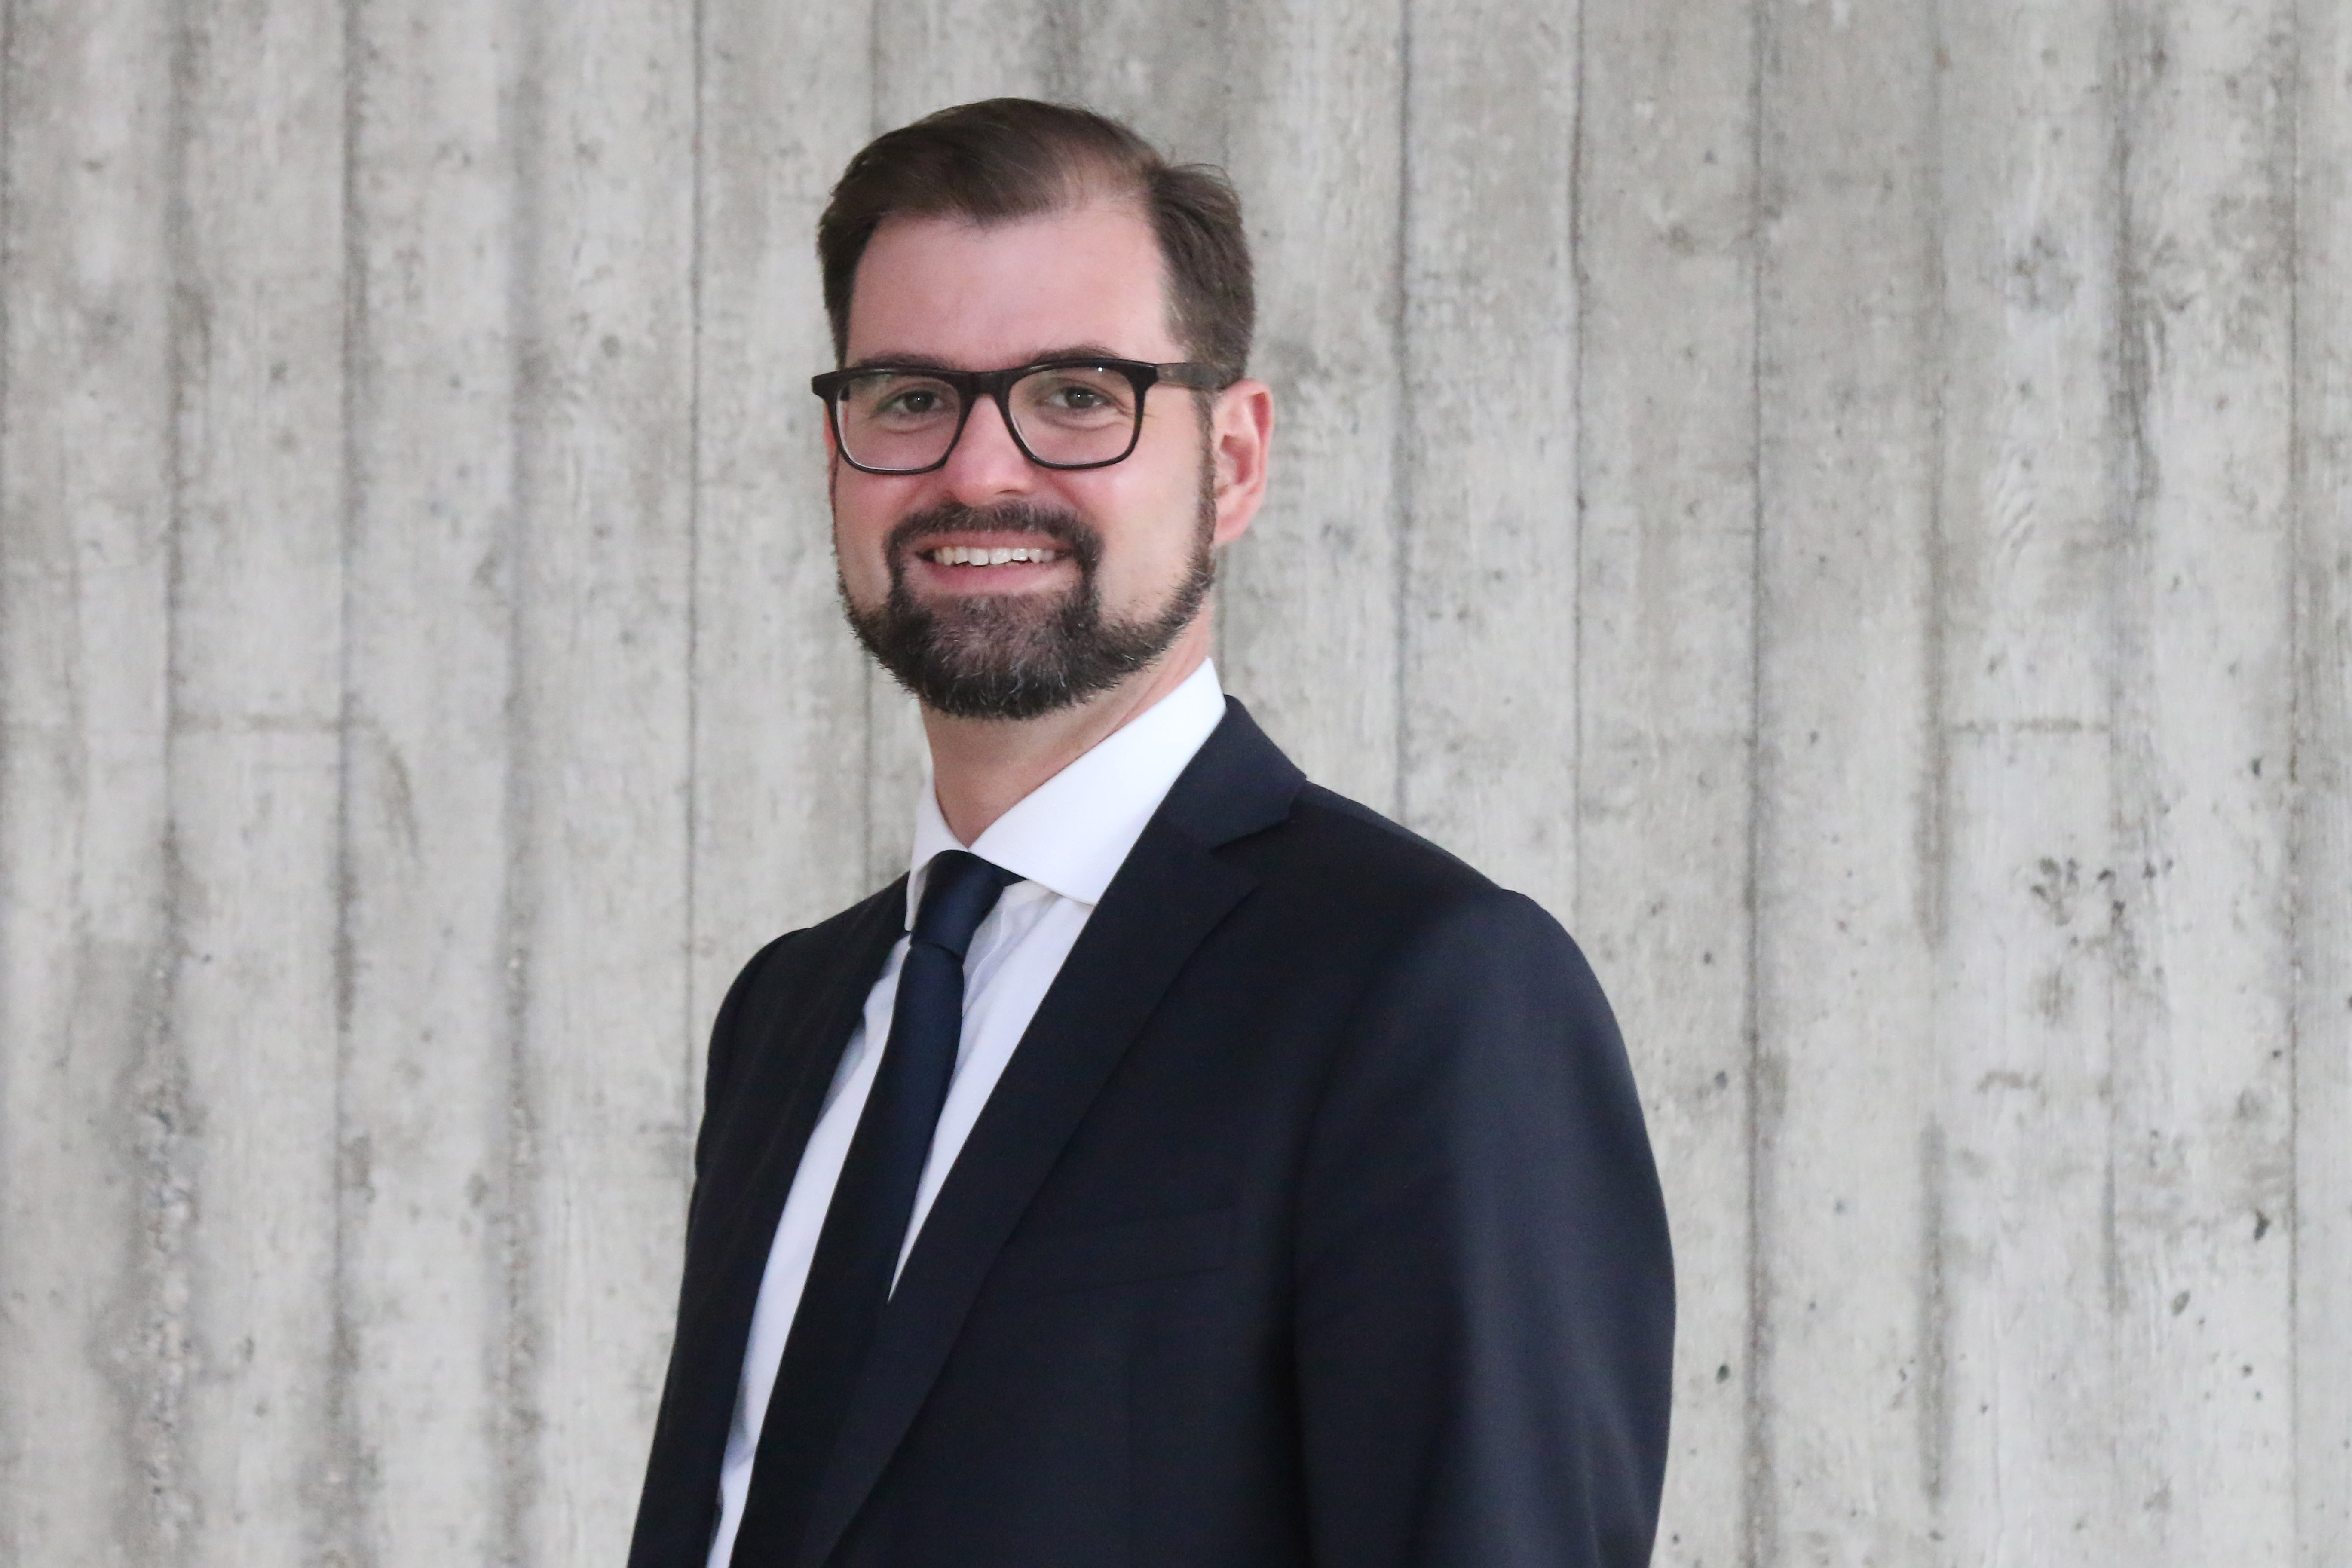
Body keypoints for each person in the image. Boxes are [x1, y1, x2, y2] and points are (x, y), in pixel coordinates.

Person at [627, 98, 1673, 1568]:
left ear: (1232, 461)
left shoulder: (1423, 990)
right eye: (911, 397)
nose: (980, 473)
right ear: (835, 452)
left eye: (1077, 393)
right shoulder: (790, 1012)